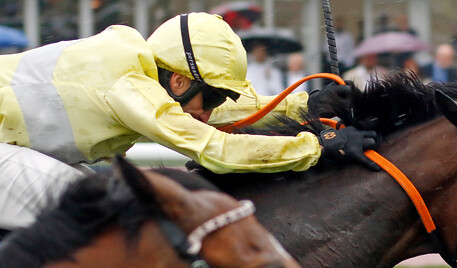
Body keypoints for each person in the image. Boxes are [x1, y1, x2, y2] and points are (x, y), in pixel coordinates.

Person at [0, 12, 377, 231]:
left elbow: (209, 111)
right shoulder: (125, 84)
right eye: (213, 96)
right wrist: (318, 146)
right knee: (101, 217)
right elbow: (216, 150)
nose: (212, 111)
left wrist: (303, 107)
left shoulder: (144, 71)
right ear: (179, 80)